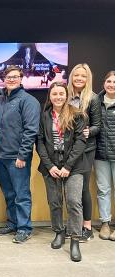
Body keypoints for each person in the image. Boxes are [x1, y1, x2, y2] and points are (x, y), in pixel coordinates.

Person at [37, 82, 86, 262]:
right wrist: (50, 166)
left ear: (66, 95)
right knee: (55, 201)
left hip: (73, 166)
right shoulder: (44, 116)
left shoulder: (77, 114)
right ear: (50, 96)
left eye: (61, 94)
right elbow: (40, 142)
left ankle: (74, 239)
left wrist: (68, 166)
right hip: (51, 166)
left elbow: (81, 141)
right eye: (54, 94)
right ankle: (59, 232)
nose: (58, 97)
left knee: (73, 202)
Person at [0, 65, 40, 244]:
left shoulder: (29, 101)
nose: (11, 79)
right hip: (1, 156)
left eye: (15, 77)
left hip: (18, 158)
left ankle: (24, 228)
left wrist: (22, 155)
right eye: (8, 77)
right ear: (4, 78)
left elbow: (30, 131)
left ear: (21, 78)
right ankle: (12, 223)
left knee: (21, 194)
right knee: (9, 193)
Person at [67, 63, 101, 242]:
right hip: (69, 150)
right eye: (76, 75)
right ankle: (74, 224)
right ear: (71, 77)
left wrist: (90, 131)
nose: (79, 78)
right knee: (71, 190)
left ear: (88, 79)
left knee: (83, 188)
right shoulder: (67, 96)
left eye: (83, 76)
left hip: (86, 150)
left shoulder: (93, 98)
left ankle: (87, 226)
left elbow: (98, 125)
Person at [94, 71, 115, 240]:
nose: (112, 84)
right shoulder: (96, 101)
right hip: (100, 154)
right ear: (104, 83)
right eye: (109, 81)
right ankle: (105, 223)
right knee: (103, 190)